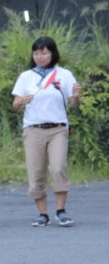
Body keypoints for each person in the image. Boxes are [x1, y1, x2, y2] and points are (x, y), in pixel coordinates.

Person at [11, 36, 82, 227]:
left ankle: (61, 211)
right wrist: (21, 101)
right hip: (33, 129)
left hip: (58, 129)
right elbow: (15, 105)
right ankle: (42, 214)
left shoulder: (64, 75)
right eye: (36, 53)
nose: (39, 57)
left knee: (58, 167)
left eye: (43, 53)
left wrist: (76, 96)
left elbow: (75, 104)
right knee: (36, 172)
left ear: (52, 53)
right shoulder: (26, 76)